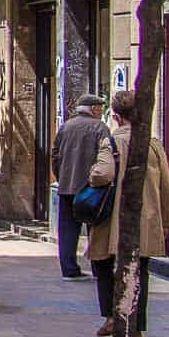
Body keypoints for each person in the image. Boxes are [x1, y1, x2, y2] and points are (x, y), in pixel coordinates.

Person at [89, 90, 169, 337]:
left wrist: (92, 172)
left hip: (115, 218)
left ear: (115, 116)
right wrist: (166, 220)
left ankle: (112, 317)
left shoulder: (113, 142)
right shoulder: (152, 143)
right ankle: (136, 325)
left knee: (103, 265)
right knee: (140, 270)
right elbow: (167, 187)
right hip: (145, 218)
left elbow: (101, 175)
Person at [52, 93, 114, 279]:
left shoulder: (65, 127)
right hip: (91, 187)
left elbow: (55, 156)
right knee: (96, 228)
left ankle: (69, 269)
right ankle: (98, 268)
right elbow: (106, 157)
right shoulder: (100, 127)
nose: (101, 111)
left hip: (67, 186)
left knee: (68, 229)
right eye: (100, 108)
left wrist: (62, 176)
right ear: (93, 109)